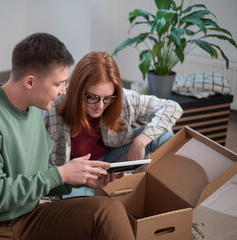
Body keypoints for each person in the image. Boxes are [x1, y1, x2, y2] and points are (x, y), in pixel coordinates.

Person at [0, 33, 135, 240]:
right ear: (30, 82)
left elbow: (34, 178)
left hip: (28, 217)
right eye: (58, 84)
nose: (63, 92)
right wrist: (60, 174)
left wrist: (79, 180)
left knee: (107, 212)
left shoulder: (33, 112)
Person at [43, 51, 183, 197]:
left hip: (109, 161)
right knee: (87, 210)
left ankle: (167, 195)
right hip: (75, 173)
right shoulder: (53, 106)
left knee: (163, 135)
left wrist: (141, 141)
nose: (100, 106)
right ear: (78, 91)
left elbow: (171, 107)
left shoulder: (122, 99)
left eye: (107, 98)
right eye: (93, 97)